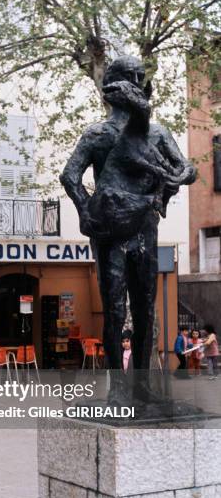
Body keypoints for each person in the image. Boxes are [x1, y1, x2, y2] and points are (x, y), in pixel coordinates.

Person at [60, 55, 196, 402]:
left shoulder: (157, 132)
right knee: (115, 308)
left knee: (146, 307)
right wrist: (85, 211)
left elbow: (186, 167)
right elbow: (70, 175)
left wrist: (183, 174)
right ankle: (118, 387)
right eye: (133, 77)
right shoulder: (97, 133)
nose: (139, 82)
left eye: (140, 77)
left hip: (145, 228)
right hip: (110, 231)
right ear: (117, 87)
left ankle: (142, 384)